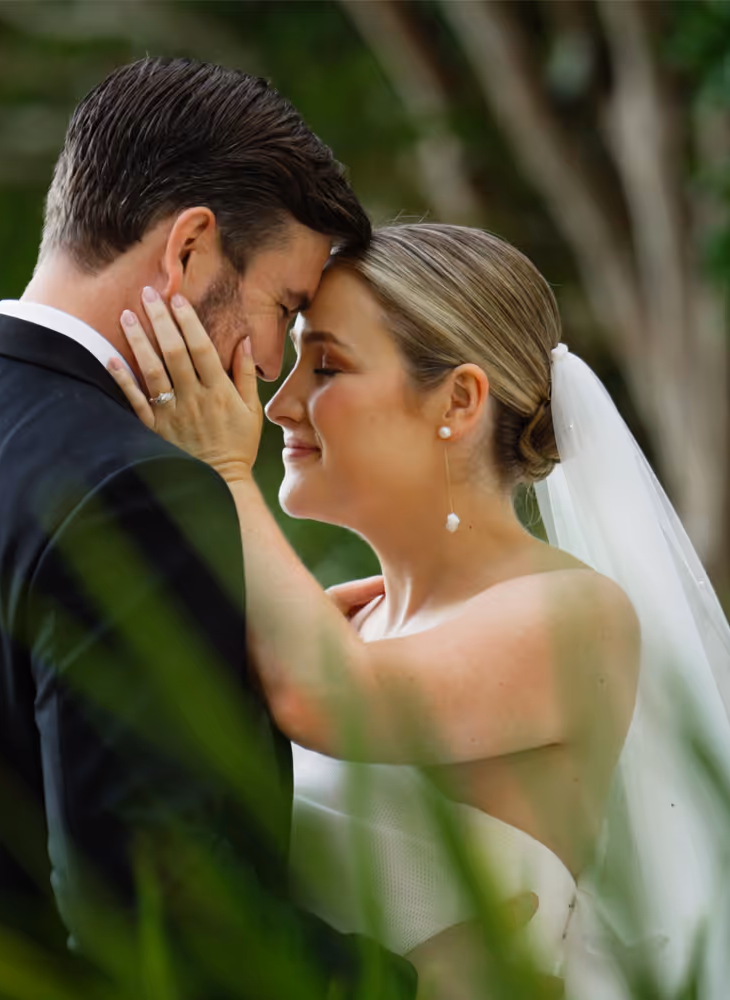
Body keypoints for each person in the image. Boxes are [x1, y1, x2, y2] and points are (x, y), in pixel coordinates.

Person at [0, 56, 440, 1000]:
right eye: (283, 309)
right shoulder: (138, 491)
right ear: (189, 250)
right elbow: (152, 905)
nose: (265, 364)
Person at [108, 222, 730, 998]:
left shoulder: (575, 614)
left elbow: (328, 700)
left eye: (327, 365)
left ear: (459, 400)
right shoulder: (346, 632)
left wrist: (223, 472)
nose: (282, 404)